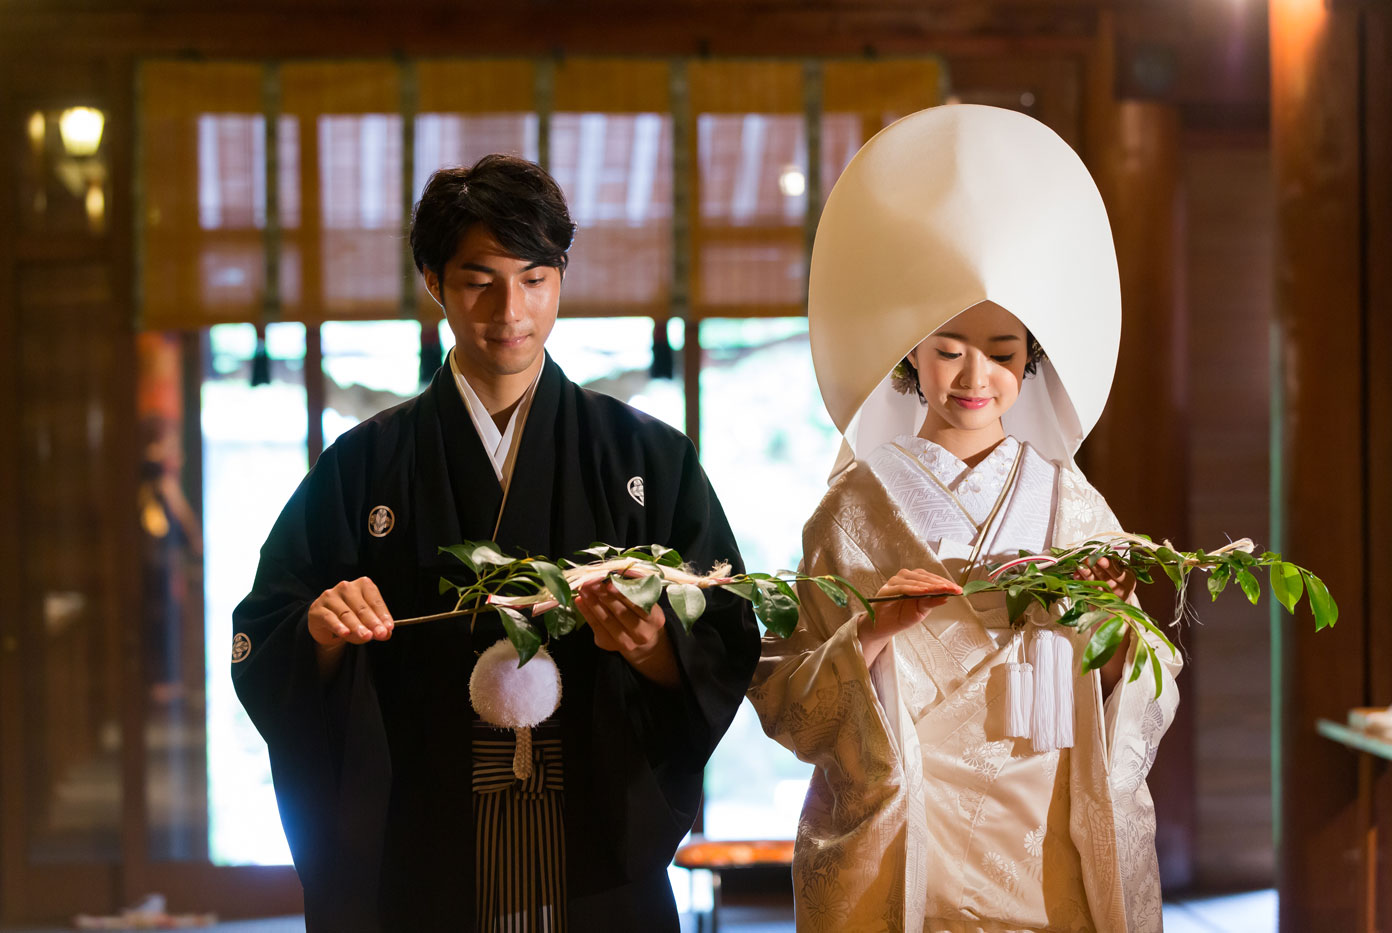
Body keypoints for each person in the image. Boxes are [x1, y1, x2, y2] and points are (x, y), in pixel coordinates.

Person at [232, 154, 759, 931]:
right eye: (480, 280)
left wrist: (652, 648)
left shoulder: (647, 458)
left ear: (562, 276)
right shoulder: (364, 465)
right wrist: (323, 633)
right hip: (422, 843)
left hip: (593, 836)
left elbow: (725, 629)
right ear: (433, 280)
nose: (511, 309)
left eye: (535, 278)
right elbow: (270, 626)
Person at [746, 105, 1180, 932]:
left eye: (1005, 351)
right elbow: (787, 690)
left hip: (1044, 844)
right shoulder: (855, 508)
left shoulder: (1071, 501)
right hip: (911, 842)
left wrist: (1116, 631)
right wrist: (873, 627)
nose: (974, 375)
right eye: (948, 347)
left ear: (1033, 359)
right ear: (908, 348)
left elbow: (1144, 677)